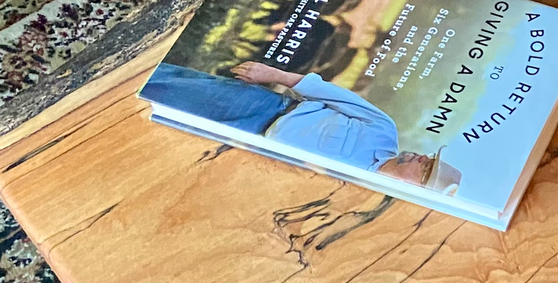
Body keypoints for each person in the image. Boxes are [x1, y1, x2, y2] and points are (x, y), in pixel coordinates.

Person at [143, 61, 461, 192]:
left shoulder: (360, 192)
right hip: (262, 112)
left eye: (425, 169)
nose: (422, 157)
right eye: (428, 158)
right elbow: (322, 90)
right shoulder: (383, 129)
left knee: (154, 146)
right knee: (169, 86)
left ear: (417, 190)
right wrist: (270, 74)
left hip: (248, 163)